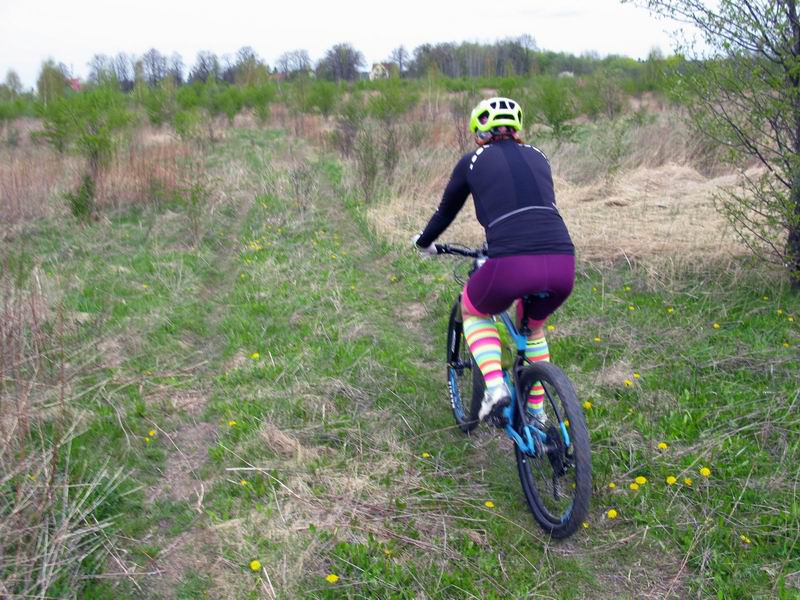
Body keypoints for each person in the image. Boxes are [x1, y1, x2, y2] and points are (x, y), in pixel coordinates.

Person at [413, 97, 575, 425]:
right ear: (518, 130)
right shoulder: (539, 156)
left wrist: (424, 242)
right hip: (562, 260)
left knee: (473, 309)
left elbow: (446, 211)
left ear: (478, 132)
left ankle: (495, 387)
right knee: (532, 328)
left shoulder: (472, 161)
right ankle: (538, 412)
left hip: (511, 261)